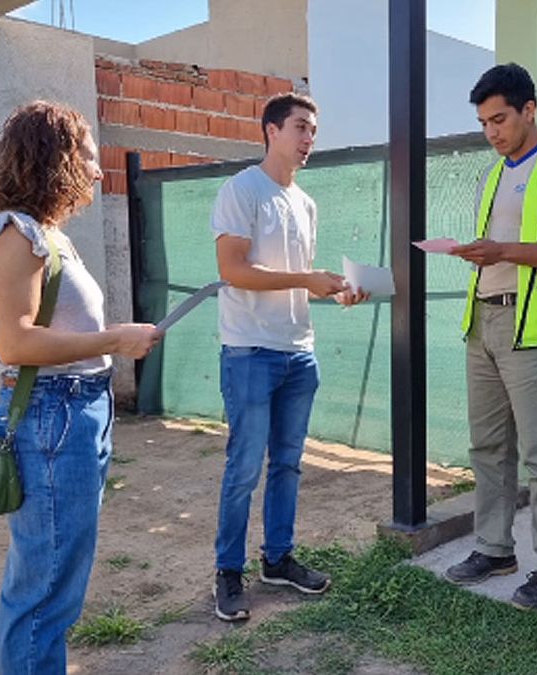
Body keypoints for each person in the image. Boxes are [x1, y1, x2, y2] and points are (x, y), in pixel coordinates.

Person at [0, 100, 161, 674]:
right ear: (56, 158)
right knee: (44, 585)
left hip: (77, 411)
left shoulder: (49, 236)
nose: (98, 172)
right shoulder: (12, 234)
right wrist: (114, 339)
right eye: (89, 157)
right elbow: (17, 342)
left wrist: (113, 341)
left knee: (58, 577)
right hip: (53, 414)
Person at [209, 92, 369, 622]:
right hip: (249, 351)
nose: (309, 139)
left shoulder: (306, 203)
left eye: (313, 131)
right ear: (271, 131)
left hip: (298, 351)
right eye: (300, 127)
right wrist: (306, 278)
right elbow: (233, 270)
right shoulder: (242, 190)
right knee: (244, 467)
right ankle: (228, 572)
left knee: (288, 465)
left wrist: (337, 291)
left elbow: (297, 281)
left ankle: (278, 560)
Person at [443, 63, 537, 612]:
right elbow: (500, 246)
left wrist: (502, 251)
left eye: (500, 119)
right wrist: (478, 252)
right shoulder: (492, 175)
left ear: (529, 110)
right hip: (483, 322)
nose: (492, 132)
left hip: (535, 328)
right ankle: (493, 549)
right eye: (484, 123)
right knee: (488, 447)